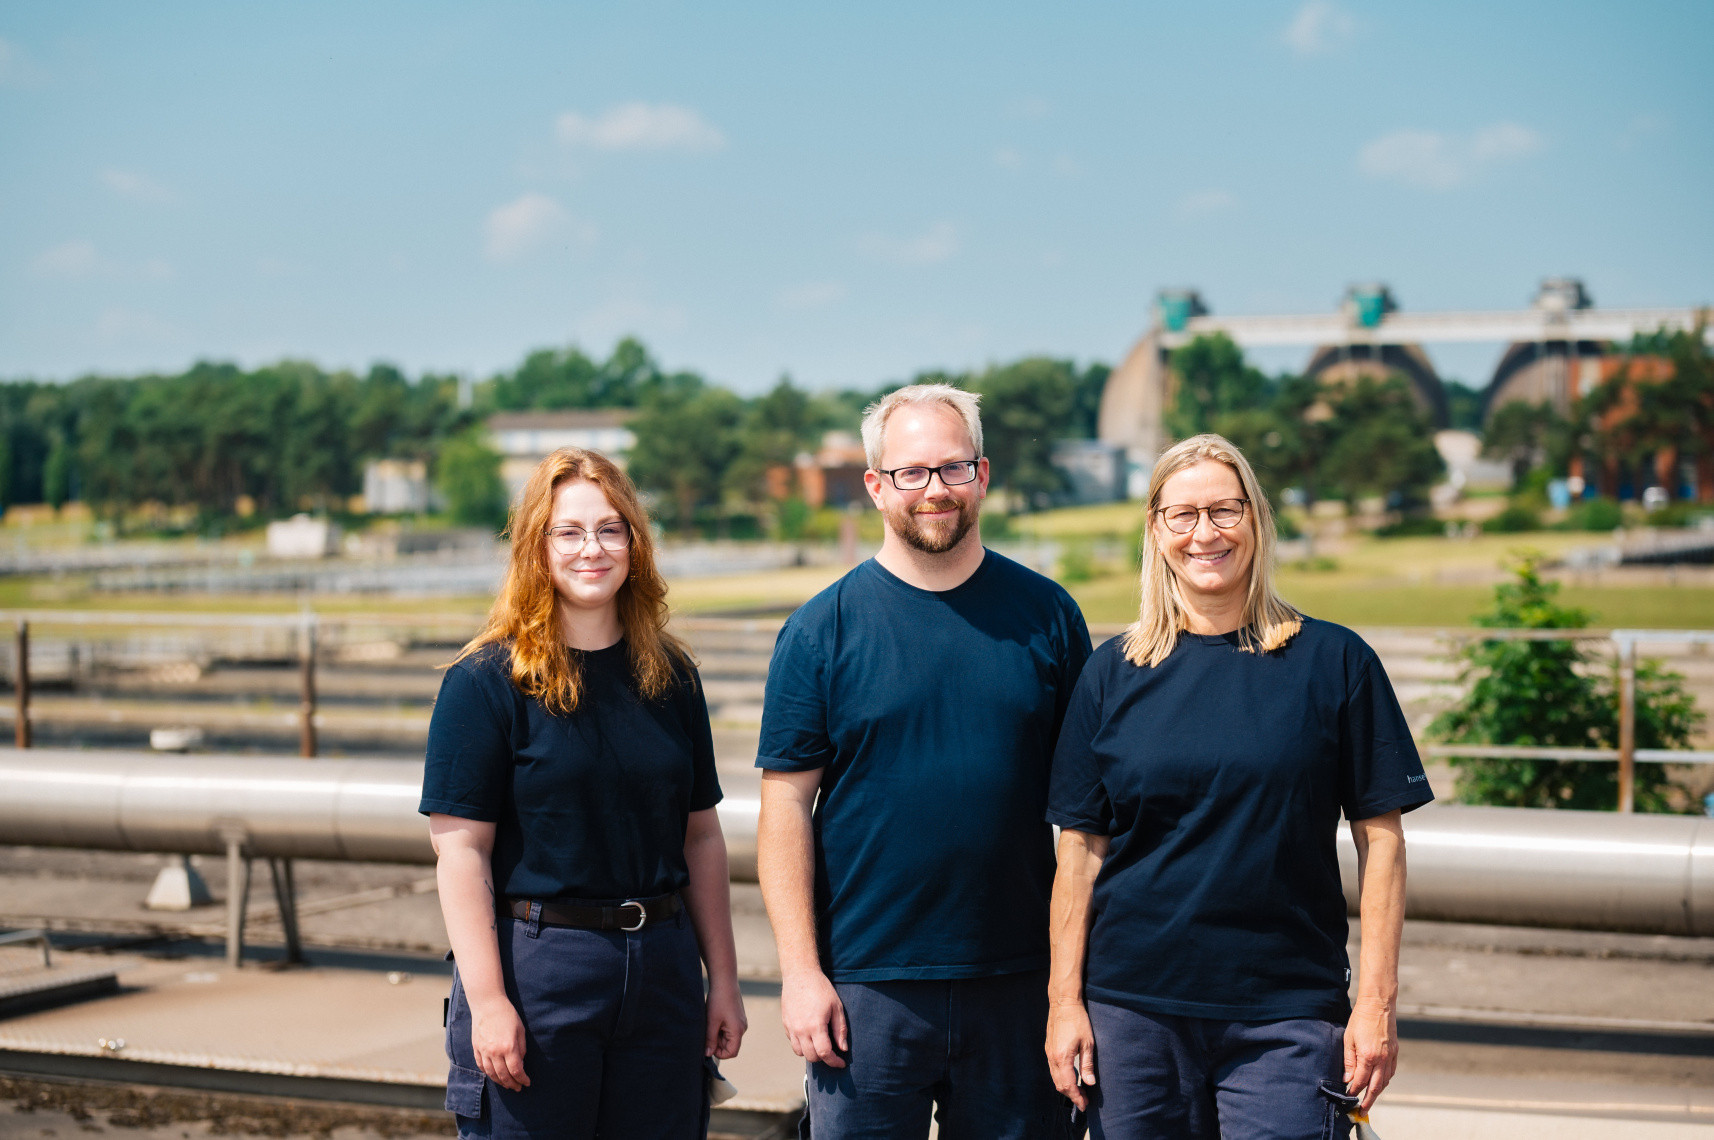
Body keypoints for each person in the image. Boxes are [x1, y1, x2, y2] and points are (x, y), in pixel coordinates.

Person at [1044, 433, 1432, 1140]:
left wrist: (1375, 1003)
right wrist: (1063, 1002)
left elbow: (1384, 842)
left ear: (1255, 517)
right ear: (1156, 531)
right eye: (1182, 515)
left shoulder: (1335, 662)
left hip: (1287, 1015)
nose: (1205, 534)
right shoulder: (1109, 674)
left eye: (1224, 510)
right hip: (1132, 1017)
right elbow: (1079, 855)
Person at [756, 384, 1093, 1139]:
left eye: (952, 468)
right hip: (866, 988)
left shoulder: (1048, 617)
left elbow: (1086, 815)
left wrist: (1072, 986)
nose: (934, 490)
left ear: (983, 475)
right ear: (876, 486)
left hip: (1018, 982)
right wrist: (801, 973)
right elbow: (784, 810)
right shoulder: (820, 631)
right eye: (911, 472)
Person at [420, 447, 746, 1140]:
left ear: (635, 540)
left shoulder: (671, 675)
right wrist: (487, 1001)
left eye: (610, 528)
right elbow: (460, 854)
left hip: (662, 965)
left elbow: (702, 836)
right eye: (568, 532)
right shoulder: (484, 683)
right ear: (537, 547)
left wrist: (722, 977)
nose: (591, 549)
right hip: (541, 967)